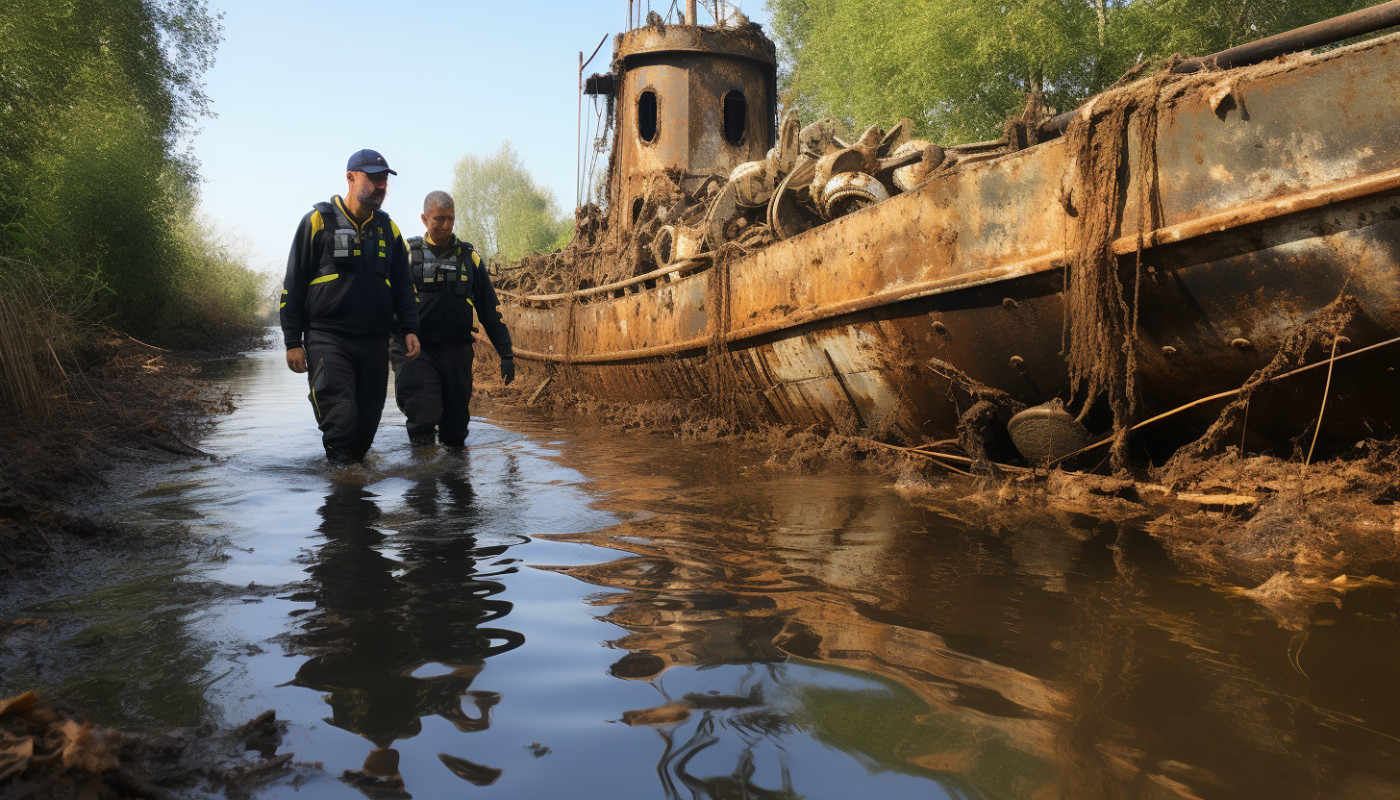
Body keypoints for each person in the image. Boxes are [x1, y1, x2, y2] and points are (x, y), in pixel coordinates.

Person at [280, 149, 421, 464]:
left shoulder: (388, 229)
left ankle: (353, 484)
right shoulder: (317, 222)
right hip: (327, 337)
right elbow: (294, 283)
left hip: (375, 341)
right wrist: (292, 341)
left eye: (384, 180)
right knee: (341, 418)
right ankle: (342, 484)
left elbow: (403, 286)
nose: (381, 186)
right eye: (373, 179)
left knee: (366, 428)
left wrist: (410, 328)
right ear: (351, 178)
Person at [391, 190, 514, 448]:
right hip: (416, 348)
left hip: (457, 349)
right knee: (423, 410)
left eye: (450, 219)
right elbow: (383, 300)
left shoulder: (469, 258)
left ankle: (455, 469)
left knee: (455, 429)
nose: (446, 225)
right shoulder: (407, 255)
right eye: (439, 219)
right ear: (424, 219)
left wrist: (506, 353)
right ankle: (423, 467)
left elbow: (489, 309)